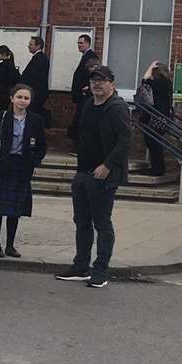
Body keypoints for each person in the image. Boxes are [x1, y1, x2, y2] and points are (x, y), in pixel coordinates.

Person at [55, 64, 131, 288]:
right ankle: (81, 267)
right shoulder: (89, 104)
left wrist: (107, 165)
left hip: (103, 175)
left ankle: (100, 270)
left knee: (102, 224)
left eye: (102, 80)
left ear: (111, 84)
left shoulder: (116, 107)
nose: (97, 84)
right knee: (81, 222)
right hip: (82, 172)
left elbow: (125, 140)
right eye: (93, 80)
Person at [0, 82, 48, 258]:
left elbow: (42, 145)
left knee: (15, 210)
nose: (22, 101)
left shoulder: (35, 120)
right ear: (12, 99)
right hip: (3, 165)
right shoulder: (2, 116)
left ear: (30, 101)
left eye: (26, 98)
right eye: (19, 97)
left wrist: (34, 161)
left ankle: (10, 245)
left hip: (22, 168)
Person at [67, 36, 96, 146]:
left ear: (88, 43)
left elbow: (93, 72)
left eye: (81, 43)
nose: (79, 45)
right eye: (78, 43)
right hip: (81, 95)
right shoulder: (85, 56)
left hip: (85, 96)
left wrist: (88, 87)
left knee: (81, 119)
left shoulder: (90, 56)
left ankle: (79, 145)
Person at [21, 35, 50, 125]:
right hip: (36, 92)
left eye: (31, 44)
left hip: (36, 93)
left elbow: (31, 76)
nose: (29, 46)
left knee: (32, 116)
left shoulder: (39, 58)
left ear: (38, 46)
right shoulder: (39, 57)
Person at [0, 45, 19, 114]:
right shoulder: (12, 65)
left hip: (1, 93)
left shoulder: (2, 65)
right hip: (9, 92)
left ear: (2, 54)